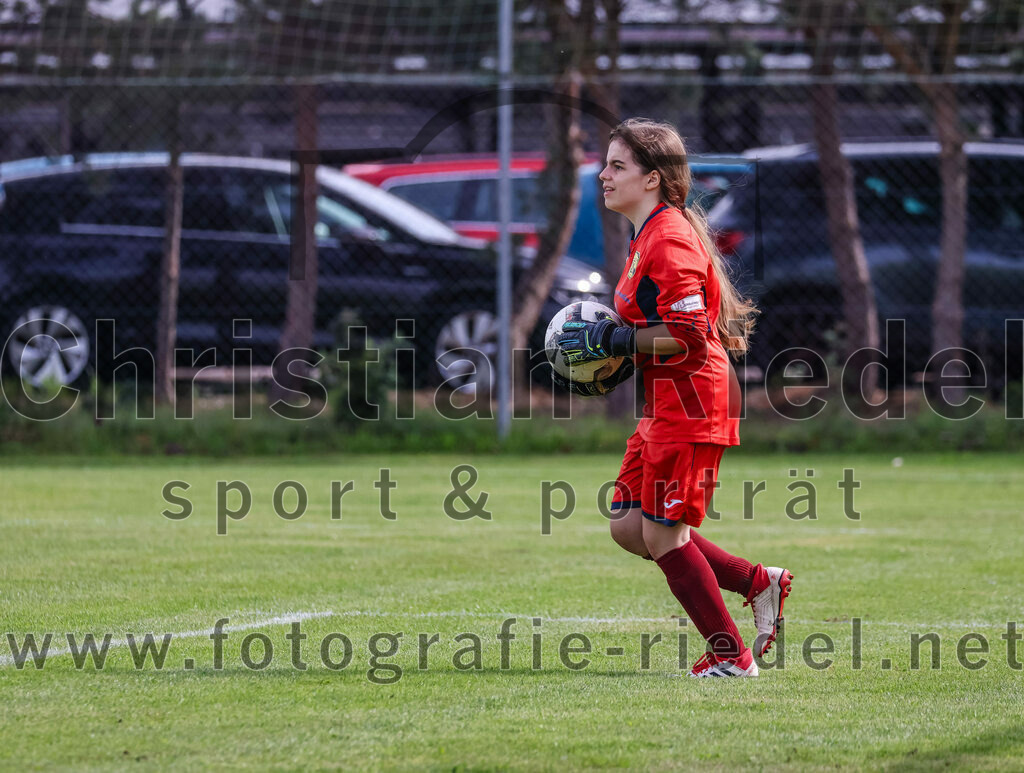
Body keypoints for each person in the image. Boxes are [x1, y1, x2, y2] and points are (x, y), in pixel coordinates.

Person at [555, 118, 793, 678]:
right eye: (605, 163)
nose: (604, 175)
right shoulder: (649, 234)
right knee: (629, 526)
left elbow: (686, 336)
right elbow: (656, 331)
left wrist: (616, 340)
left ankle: (731, 656)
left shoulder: (670, 239)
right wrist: (613, 356)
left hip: (694, 401)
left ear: (654, 178)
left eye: (618, 166)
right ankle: (759, 582)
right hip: (666, 400)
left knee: (664, 533)